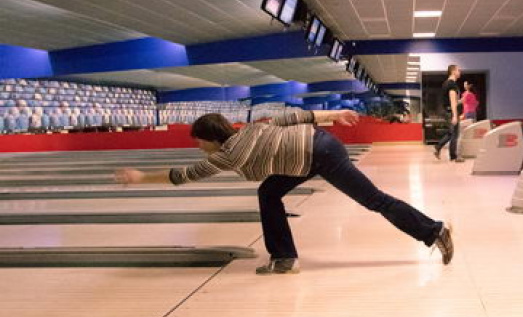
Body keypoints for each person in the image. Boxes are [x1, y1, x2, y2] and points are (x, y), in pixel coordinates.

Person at [115, 111, 454, 274]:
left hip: (319, 155)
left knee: (374, 200)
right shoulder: (251, 128)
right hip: (314, 148)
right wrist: (335, 115)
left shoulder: (227, 155)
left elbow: (183, 176)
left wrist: (142, 177)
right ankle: (284, 257)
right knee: (268, 193)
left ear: (212, 139)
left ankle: (433, 230)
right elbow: (296, 116)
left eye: (199, 141)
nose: (198, 147)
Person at [434, 64, 462, 161]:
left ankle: (438, 147)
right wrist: (454, 115)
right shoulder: (452, 84)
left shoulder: (446, 83)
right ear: (453, 71)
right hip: (450, 111)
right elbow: (452, 100)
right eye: (458, 70)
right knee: (455, 134)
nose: (460, 72)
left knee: (451, 133)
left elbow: (451, 100)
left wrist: (460, 101)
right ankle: (453, 156)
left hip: (446, 110)